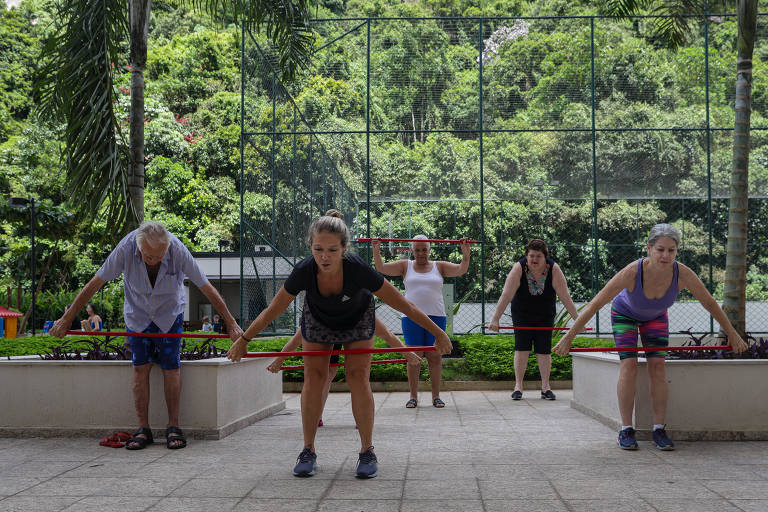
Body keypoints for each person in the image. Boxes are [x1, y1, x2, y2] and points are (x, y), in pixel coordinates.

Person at [227, 210, 451, 479]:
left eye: (332, 250)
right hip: (318, 319)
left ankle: (367, 451)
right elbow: (272, 310)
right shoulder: (304, 271)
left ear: (344, 248)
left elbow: (404, 304)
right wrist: (244, 340)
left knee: (358, 376)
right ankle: (308, 450)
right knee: (315, 377)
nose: (324, 256)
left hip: (357, 319)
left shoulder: (357, 269)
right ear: (310, 246)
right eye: (318, 249)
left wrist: (439, 333)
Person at [553, 224, 748, 450]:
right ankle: (626, 429)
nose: (666, 255)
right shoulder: (632, 272)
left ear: (677, 251)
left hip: (655, 317)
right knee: (629, 365)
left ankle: (659, 429)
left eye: (671, 250)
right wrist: (569, 336)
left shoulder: (682, 274)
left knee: (658, 366)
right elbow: (596, 303)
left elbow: (710, 303)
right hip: (624, 314)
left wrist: (732, 335)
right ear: (649, 248)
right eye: (660, 249)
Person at [50, 221, 242, 450]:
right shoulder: (125, 249)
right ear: (139, 247)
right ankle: (143, 429)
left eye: (160, 256)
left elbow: (206, 287)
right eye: (149, 256)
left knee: (171, 367)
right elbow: (94, 284)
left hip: (169, 315)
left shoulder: (177, 250)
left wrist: (231, 324)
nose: (156, 260)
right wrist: (66, 319)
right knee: (140, 367)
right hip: (138, 315)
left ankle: (173, 427)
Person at [372, 235, 471, 408]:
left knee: (434, 356)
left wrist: (465, 253)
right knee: (413, 357)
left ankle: (436, 396)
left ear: (429, 249)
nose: (421, 253)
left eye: (424, 249)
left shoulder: (438, 266)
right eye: (417, 250)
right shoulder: (405, 265)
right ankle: (413, 397)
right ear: (412, 250)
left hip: (436, 317)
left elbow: (461, 269)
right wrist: (376, 249)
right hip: (411, 318)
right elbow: (381, 268)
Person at [267, 318, 422, 427]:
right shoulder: (319, 313)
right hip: (326, 331)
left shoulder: (363, 312)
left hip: (353, 331)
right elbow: (297, 339)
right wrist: (279, 360)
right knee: (325, 374)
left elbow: (387, 334)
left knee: (357, 375)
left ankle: (362, 418)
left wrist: (407, 353)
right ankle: (316, 416)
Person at [488, 239, 579, 401]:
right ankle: (518, 387)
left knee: (544, 350)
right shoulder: (518, 268)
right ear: (526, 256)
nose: (534, 260)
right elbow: (506, 294)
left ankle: (546, 387)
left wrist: (578, 321)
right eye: (531, 256)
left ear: (545, 257)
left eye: (538, 256)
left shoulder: (554, 269)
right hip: (522, 314)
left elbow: (565, 296)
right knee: (521, 348)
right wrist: (495, 319)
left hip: (545, 314)